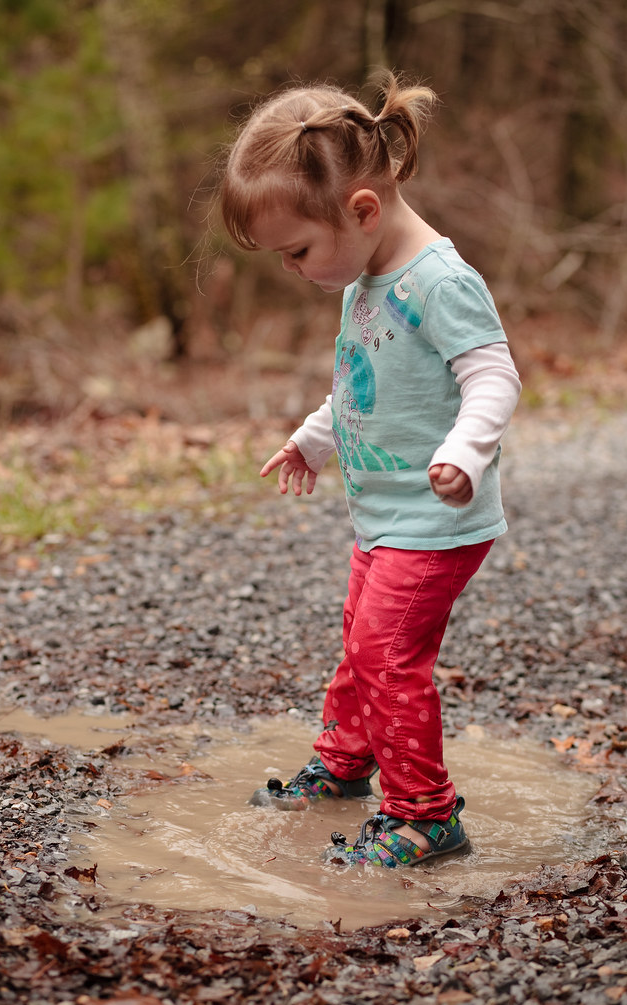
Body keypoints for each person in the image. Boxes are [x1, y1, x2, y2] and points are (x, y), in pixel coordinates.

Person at [219, 70, 521, 869]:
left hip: (435, 518)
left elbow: (494, 377)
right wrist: (314, 439)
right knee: (362, 644)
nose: (291, 267)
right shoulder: (365, 278)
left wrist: (463, 448)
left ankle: (424, 813)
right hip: (383, 514)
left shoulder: (439, 280)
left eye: (296, 250)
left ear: (361, 210)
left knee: (387, 654)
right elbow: (361, 385)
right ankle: (346, 766)